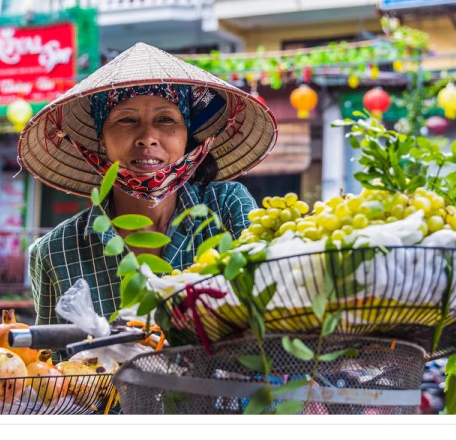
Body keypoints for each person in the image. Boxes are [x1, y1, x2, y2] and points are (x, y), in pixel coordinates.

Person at [18, 43, 278, 326]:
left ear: (186, 137)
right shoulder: (55, 251)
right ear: (101, 141)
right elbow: (53, 366)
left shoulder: (227, 207)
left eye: (166, 120)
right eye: (126, 120)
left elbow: (267, 309)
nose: (148, 137)